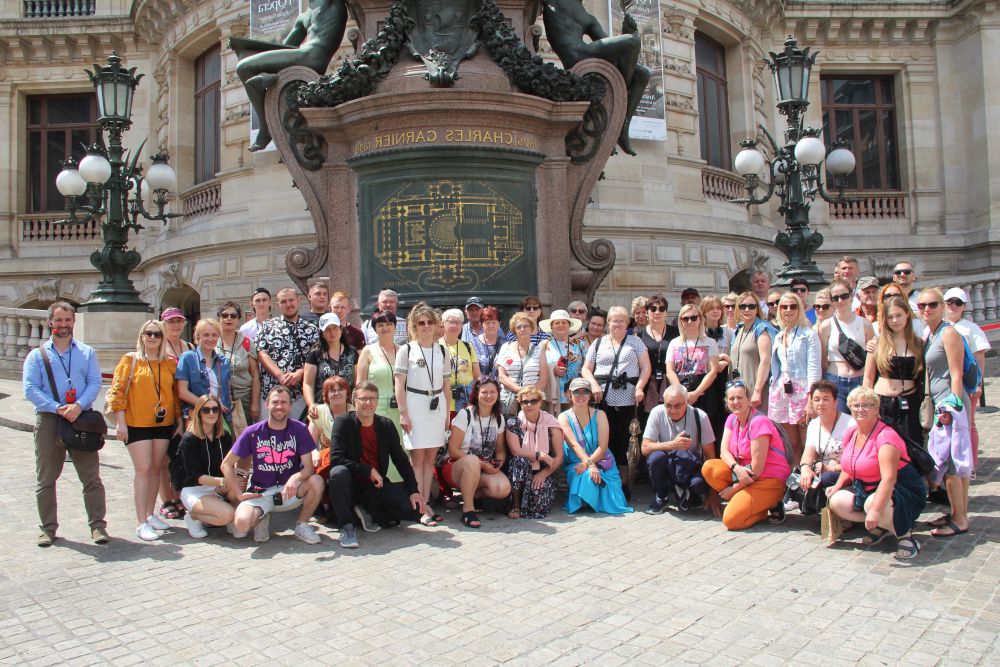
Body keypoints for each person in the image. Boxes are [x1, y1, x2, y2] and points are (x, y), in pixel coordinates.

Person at [23, 302, 108, 547]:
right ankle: (48, 528)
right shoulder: (37, 355)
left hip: (81, 419)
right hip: (50, 420)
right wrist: (57, 407)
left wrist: (78, 405)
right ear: (50, 322)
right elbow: (30, 388)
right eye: (58, 320)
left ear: (74, 322)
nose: (63, 325)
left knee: (91, 478)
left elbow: (94, 382)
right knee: (46, 479)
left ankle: (98, 526)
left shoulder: (86, 352)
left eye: (67, 320)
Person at [824, 387, 927, 558]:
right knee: (838, 501)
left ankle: (905, 536)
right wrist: (838, 486)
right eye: (856, 405)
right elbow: (850, 466)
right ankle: (883, 525)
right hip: (867, 489)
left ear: (876, 409)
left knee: (873, 504)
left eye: (867, 405)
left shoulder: (886, 437)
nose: (860, 409)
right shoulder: (851, 432)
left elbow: (889, 479)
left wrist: (875, 511)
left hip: (901, 489)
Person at [327, 381, 430, 548]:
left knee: (414, 510)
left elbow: (401, 460)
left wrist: (413, 490)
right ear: (354, 401)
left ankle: (364, 511)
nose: (368, 403)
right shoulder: (343, 422)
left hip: (376, 486)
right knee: (337, 473)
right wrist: (367, 470)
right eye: (363, 399)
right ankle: (347, 526)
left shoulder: (385, 425)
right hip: (350, 485)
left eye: (373, 398)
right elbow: (336, 459)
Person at [234, 0, 348, 151]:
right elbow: (283, 48)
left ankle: (265, 128)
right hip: (301, 55)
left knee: (244, 67)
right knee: (244, 58)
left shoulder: (331, 2)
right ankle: (270, 78)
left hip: (313, 55)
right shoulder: (303, 17)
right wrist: (244, 47)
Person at [541, 0, 651, 155]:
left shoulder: (588, 18)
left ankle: (623, 126)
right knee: (633, 41)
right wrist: (629, 39)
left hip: (588, 53)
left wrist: (625, 33)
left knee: (642, 74)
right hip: (576, 55)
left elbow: (613, 48)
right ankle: (621, 97)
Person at [105, 320, 182, 541]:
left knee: (156, 468)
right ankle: (141, 522)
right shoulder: (130, 360)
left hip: (162, 423)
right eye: (148, 333)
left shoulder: (169, 363)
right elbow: (117, 392)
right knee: (143, 469)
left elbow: (174, 394)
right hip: (137, 423)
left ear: (163, 338)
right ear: (141, 336)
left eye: (157, 334)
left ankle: (149, 514)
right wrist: (120, 422)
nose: (152, 337)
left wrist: (178, 419)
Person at [221, 386, 324, 544]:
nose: (279, 406)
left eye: (284, 402)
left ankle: (302, 525)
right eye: (275, 402)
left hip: (289, 491)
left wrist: (295, 478)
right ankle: (262, 516)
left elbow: (309, 469)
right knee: (241, 524)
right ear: (267, 404)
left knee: (316, 481)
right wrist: (239, 494)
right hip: (261, 493)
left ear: (290, 406)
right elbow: (226, 464)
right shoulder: (252, 432)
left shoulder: (300, 429)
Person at [919, 287, 973, 537]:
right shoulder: (932, 334)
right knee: (955, 460)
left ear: (942, 306)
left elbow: (956, 373)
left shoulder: (948, 332)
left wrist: (952, 407)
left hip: (950, 404)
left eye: (932, 304)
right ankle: (958, 513)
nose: (927, 309)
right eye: (922, 305)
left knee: (951, 462)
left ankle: (960, 520)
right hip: (944, 402)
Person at [701, 380, 791, 530]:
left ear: (748, 399)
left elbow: (757, 469)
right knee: (709, 467)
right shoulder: (732, 419)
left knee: (731, 520)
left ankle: (768, 506)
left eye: (740, 397)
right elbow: (724, 451)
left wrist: (733, 489)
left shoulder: (759, 422)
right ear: (726, 401)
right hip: (743, 473)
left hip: (767, 479)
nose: (736, 402)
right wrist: (736, 468)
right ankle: (746, 502)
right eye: (731, 398)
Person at [581, 305, 651, 492]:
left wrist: (640, 387)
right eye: (614, 320)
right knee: (604, 439)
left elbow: (646, 367)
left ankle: (623, 482)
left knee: (624, 440)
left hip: (628, 399)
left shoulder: (635, 342)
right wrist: (593, 384)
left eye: (621, 321)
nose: (618, 324)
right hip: (602, 399)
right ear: (608, 323)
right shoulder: (598, 343)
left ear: (627, 323)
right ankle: (604, 480)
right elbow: (586, 368)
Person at [394, 302, 451, 526]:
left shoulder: (442, 350)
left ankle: (426, 503)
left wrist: (447, 412)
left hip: (437, 405)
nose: (426, 326)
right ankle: (419, 507)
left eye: (430, 322)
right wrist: (403, 413)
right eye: (421, 323)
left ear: (436, 325)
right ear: (414, 326)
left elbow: (446, 385)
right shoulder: (406, 350)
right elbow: (399, 385)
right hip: (415, 404)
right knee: (417, 459)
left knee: (430, 459)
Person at [443, 377, 511, 528]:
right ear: (476, 394)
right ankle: (468, 510)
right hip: (457, 466)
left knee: (502, 489)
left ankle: (470, 494)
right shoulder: (465, 414)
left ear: (498, 394)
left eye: (493, 392)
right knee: (473, 460)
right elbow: (453, 450)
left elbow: (500, 450)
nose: (489, 396)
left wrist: (498, 465)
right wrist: (481, 463)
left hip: (482, 467)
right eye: (484, 392)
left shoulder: (498, 418)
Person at [559, 378, 633, 514]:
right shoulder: (563, 417)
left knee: (612, 496)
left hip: (601, 459)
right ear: (569, 395)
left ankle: (591, 499)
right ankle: (588, 499)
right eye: (576, 392)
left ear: (590, 395)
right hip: (577, 461)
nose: (581, 396)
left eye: (585, 392)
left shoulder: (600, 415)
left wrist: (589, 463)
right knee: (587, 475)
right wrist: (590, 465)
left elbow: (603, 446)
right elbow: (573, 444)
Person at [863, 296, 924, 454]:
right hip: (883, 402)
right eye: (890, 317)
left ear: (907, 314)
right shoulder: (877, 343)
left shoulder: (918, 343)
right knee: (884, 446)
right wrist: (868, 405)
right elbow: (868, 378)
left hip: (909, 401)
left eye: (898, 315)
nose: (895, 320)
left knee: (912, 447)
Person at [641, 384, 716, 514]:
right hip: (666, 464)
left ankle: (690, 494)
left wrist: (713, 493)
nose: (673, 410)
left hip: (690, 465)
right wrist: (673, 445)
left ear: (687, 402)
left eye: (677, 405)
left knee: (699, 485)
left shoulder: (700, 416)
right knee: (656, 458)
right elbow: (645, 448)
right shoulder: (657, 412)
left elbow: (711, 457)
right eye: (668, 406)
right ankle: (662, 496)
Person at [768, 292, 821, 466]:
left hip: (803, 391)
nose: (788, 310)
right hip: (782, 392)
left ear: (800, 309)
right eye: (784, 307)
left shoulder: (809, 334)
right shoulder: (779, 336)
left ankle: (809, 474)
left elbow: (814, 368)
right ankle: (794, 475)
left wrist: (811, 399)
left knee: (808, 441)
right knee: (790, 443)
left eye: (793, 306)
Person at [174, 395, 236, 539]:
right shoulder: (189, 439)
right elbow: (195, 477)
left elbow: (229, 464)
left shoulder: (224, 436)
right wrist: (223, 481)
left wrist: (236, 476)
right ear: (198, 413)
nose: (211, 413)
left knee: (238, 485)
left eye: (215, 409)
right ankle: (193, 517)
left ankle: (231, 520)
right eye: (206, 410)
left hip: (216, 485)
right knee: (227, 515)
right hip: (194, 489)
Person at [354, 309, 404, 480]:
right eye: (380, 325)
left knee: (400, 449)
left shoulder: (403, 351)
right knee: (379, 451)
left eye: (389, 324)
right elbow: (360, 384)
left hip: (399, 409)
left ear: (395, 326)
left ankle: (401, 487)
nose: (385, 328)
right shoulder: (368, 351)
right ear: (375, 328)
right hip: (375, 409)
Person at [256, 287, 319, 419]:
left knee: (298, 430)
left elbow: (317, 358)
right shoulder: (267, 326)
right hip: (271, 392)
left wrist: (300, 373)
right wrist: (280, 375)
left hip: (300, 395)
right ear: (278, 305)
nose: (288, 304)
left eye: (291, 300)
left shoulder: (312, 329)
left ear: (298, 301)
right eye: (284, 302)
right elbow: (262, 353)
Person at [944, 287, 989, 467]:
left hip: (965, 381)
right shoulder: (938, 325)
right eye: (949, 302)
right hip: (944, 382)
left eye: (958, 303)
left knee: (968, 424)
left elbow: (979, 356)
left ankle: (972, 463)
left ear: (963, 306)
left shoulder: (971, 328)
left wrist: (978, 383)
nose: (953, 306)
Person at [505, 386, 564, 519]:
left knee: (538, 509)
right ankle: (515, 504)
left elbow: (559, 457)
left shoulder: (551, 424)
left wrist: (544, 474)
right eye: (525, 402)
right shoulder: (514, 423)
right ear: (520, 403)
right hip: (521, 469)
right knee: (519, 460)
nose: (529, 405)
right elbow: (516, 451)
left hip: (544, 469)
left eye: (534, 401)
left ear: (540, 402)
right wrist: (539, 455)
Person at [795, 381, 853, 514]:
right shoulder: (814, 424)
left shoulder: (850, 424)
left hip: (844, 472)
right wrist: (805, 469)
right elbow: (808, 454)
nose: (820, 403)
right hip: (822, 471)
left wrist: (830, 468)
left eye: (826, 399)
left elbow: (853, 462)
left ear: (835, 402)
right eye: (816, 399)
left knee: (826, 478)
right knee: (802, 479)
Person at [157, 306, 193, 520]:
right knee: (164, 458)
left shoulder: (189, 346)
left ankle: (178, 495)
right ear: (163, 324)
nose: (176, 325)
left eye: (179, 321)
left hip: (185, 408)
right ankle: (166, 500)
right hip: (166, 407)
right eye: (171, 321)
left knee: (180, 456)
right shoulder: (159, 347)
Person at [818, 279, 874, 414]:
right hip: (835, 380)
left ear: (851, 295)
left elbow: (872, 356)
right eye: (835, 298)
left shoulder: (865, 324)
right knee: (839, 421)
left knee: (860, 420)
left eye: (844, 296)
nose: (840, 301)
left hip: (860, 380)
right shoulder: (826, 326)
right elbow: (822, 360)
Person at [666, 303, 719, 427]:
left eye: (694, 318)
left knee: (704, 427)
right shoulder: (674, 343)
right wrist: (681, 392)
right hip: (680, 388)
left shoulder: (710, 342)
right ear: (681, 321)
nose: (690, 321)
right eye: (685, 318)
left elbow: (713, 371)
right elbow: (670, 371)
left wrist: (697, 392)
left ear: (700, 319)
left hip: (703, 390)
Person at [927, 397, 973, 538]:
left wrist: (950, 411)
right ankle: (958, 515)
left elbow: (956, 385)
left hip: (951, 410)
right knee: (954, 466)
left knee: (952, 467)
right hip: (948, 409)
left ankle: (959, 520)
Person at [216, 301, 261, 435]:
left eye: (233, 315)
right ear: (219, 318)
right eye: (225, 315)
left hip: (244, 398)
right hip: (219, 399)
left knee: (244, 439)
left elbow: (255, 375)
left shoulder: (246, 342)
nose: (228, 318)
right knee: (223, 438)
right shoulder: (212, 341)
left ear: (238, 319)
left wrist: (254, 403)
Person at [176, 319, 233, 422]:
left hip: (221, 417)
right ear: (198, 337)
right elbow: (182, 392)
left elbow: (227, 391)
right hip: (197, 416)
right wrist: (208, 405)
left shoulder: (223, 361)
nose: (210, 339)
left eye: (214, 335)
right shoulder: (188, 358)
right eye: (206, 335)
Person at [303, 313, 357, 420]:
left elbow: (357, 381)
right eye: (327, 329)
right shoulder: (315, 353)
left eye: (335, 328)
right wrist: (311, 404)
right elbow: (308, 383)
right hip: (322, 408)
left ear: (341, 330)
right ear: (322, 333)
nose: (332, 332)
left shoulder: (352, 352)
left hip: (348, 408)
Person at [497, 311, 549, 416]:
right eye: (518, 327)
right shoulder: (506, 347)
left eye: (525, 326)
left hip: (532, 400)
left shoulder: (539, 350)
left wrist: (529, 395)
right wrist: (519, 390)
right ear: (514, 331)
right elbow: (502, 376)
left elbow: (543, 378)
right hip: (508, 399)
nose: (522, 329)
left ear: (531, 328)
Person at [638, 295, 679, 422]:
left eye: (661, 309)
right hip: (647, 384)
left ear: (666, 312)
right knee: (647, 421)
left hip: (670, 381)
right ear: (647, 312)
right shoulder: (639, 334)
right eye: (653, 309)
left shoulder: (676, 333)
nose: (657, 312)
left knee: (670, 419)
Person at [730, 292, 773, 411]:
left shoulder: (762, 328)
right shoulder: (738, 330)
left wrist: (757, 391)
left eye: (751, 306)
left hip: (756, 391)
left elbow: (765, 360)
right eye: (743, 306)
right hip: (737, 391)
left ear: (757, 308)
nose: (747, 309)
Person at [539, 309, 584, 413]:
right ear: (551, 326)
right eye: (557, 323)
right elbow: (537, 368)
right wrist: (551, 369)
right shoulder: (544, 345)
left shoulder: (579, 344)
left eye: (564, 322)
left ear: (569, 325)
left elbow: (586, 367)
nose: (560, 325)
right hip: (551, 395)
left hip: (575, 393)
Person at [701, 295, 732, 438]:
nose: (715, 311)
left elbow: (734, 355)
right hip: (707, 378)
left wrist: (725, 361)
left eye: (718, 308)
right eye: (711, 308)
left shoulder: (728, 332)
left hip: (724, 377)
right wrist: (716, 362)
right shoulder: (700, 333)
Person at [441, 309, 481, 413]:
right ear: (443, 324)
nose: (454, 326)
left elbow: (477, 377)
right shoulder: (435, 346)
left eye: (458, 323)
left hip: (466, 402)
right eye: (451, 322)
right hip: (442, 403)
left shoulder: (468, 347)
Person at [307, 375, 351, 455]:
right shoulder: (319, 411)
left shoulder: (356, 412)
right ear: (326, 395)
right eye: (332, 391)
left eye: (340, 389)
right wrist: (314, 453)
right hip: (327, 459)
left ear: (347, 393)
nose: (336, 393)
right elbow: (308, 442)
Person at [468, 306, 504, 380]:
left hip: (500, 385)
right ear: (481, 324)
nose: (491, 326)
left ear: (499, 323)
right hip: (479, 385)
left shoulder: (506, 344)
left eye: (494, 322)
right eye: (487, 323)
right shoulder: (471, 344)